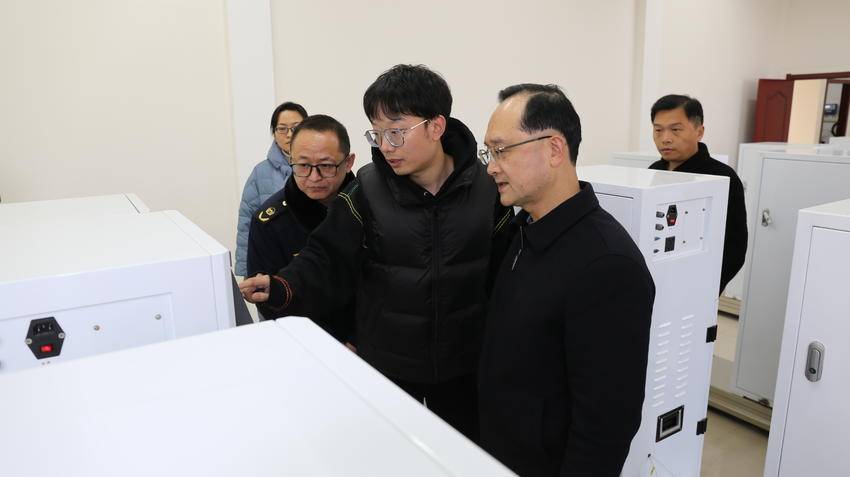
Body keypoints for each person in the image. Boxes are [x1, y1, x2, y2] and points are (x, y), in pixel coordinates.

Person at [240, 64, 514, 441]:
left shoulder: (486, 188)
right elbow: (325, 259)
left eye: (396, 132)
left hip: (464, 365)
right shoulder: (367, 190)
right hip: (388, 367)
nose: (385, 146)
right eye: (378, 133)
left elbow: (505, 273)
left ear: (436, 126)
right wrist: (280, 285)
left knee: (464, 456)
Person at [477, 83, 655, 476]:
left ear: (555, 149)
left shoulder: (608, 264)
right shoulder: (523, 231)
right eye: (489, 153)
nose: (491, 166)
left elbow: (605, 427)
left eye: (502, 150)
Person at [247, 114, 355, 340]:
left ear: (348, 162)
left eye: (326, 166)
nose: (314, 177)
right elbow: (268, 301)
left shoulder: (369, 204)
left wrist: (355, 339)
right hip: (307, 342)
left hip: (369, 340)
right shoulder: (269, 222)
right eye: (303, 165)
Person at [648, 94, 747, 294]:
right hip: (655, 279)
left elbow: (735, 246)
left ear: (699, 132)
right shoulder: (653, 171)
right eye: (658, 130)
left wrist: (707, 287)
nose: (665, 138)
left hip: (698, 285)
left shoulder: (722, 176)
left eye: (676, 129)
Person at [234, 101, 308, 276]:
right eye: (282, 129)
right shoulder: (260, 173)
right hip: (274, 261)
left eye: (296, 127)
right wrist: (246, 272)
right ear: (274, 133)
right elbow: (246, 224)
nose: (289, 134)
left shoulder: (321, 167)